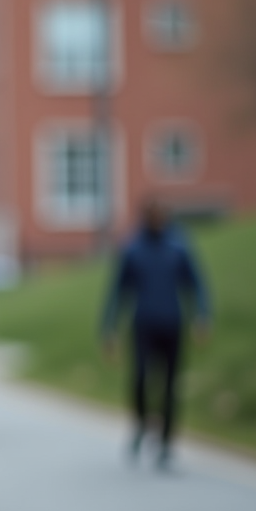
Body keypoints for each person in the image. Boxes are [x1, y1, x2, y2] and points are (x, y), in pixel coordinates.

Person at [101, 199, 210, 468]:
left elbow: (196, 283)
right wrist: (109, 327)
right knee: (140, 379)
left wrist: (202, 316)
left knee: (170, 386)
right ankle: (140, 424)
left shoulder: (179, 245)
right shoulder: (133, 248)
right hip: (143, 325)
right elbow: (118, 291)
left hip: (173, 324)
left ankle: (165, 443)